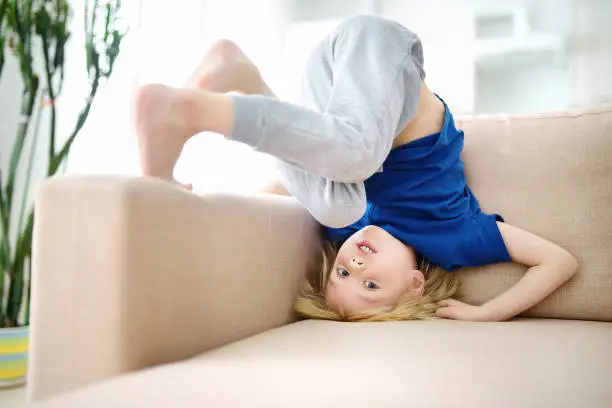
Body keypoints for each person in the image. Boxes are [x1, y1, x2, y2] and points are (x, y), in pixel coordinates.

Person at [134, 15, 578, 322]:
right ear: (415, 284)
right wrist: (487, 313)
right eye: (371, 287)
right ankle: (192, 113)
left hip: (332, 86)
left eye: (344, 274)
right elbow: (559, 261)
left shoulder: (351, 224)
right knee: (355, 163)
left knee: (335, 204)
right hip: (384, 56)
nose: (356, 263)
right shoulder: (456, 237)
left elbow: (290, 181)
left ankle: (238, 74)